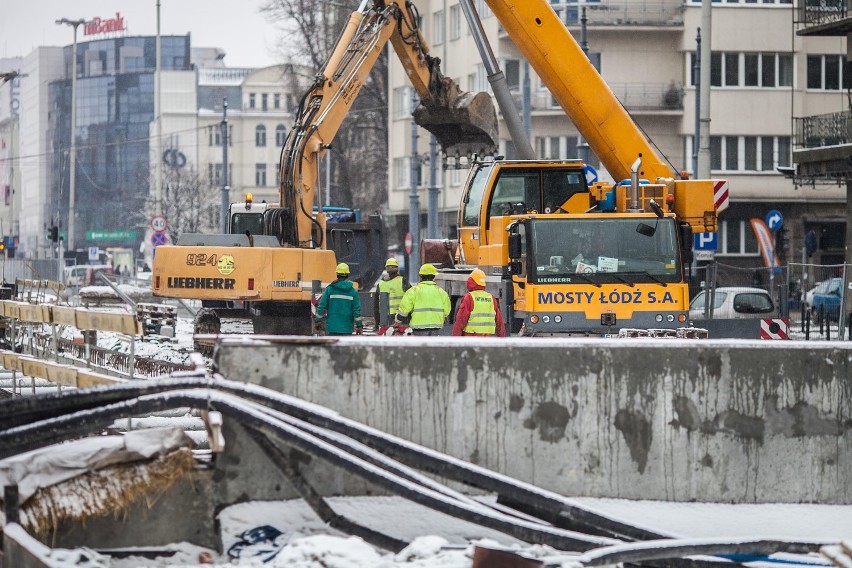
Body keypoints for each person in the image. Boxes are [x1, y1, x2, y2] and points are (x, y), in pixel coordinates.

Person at [394, 263, 451, 336]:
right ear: (434, 277)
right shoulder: (442, 292)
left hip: (418, 329)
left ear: (420, 276)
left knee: (421, 347)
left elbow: (404, 310)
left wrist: (397, 322)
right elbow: (446, 312)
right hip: (436, 329)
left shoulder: (413, 291)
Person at [452, 268, 507, 337]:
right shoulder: (491, 298)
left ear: (471, 282)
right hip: (487, 340)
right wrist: (502, 340)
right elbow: (499, 323)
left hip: (471, 340)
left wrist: (455, 340)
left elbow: (460, 321)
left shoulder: (469, 298)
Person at [314, 262, 364, 336]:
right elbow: (356, 311)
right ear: (347, 274)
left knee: (333, 347)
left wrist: (317, 320)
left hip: (332, 327)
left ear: (337, 274)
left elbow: (322, 306)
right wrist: (359, 326)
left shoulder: (330, 289)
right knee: (344, 347)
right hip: (347, 328)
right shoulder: (353, 291)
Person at [375, 257, 410, 335]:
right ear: (397, 268)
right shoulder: (403, 281)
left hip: (385, 318)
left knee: (386, 342)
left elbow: (376, 305)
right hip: (401, 317)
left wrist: (377, 322)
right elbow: (411, 299)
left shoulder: (381, 283)